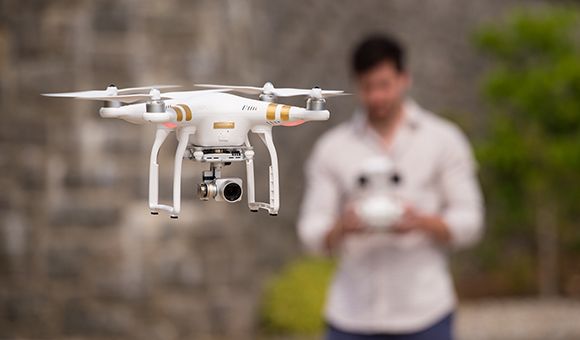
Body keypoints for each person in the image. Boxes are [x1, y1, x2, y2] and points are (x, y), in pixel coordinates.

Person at [297, 34, 484, 340]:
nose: (377, 97)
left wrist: (420, 222)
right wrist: (343, 227)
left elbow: (471, 222)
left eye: (384, 85)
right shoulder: (332, 148)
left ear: (404, 78)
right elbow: (310, 231)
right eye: (368, 87)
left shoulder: (443, 140)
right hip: (351, 316)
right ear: (356, 85)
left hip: (426, 314)